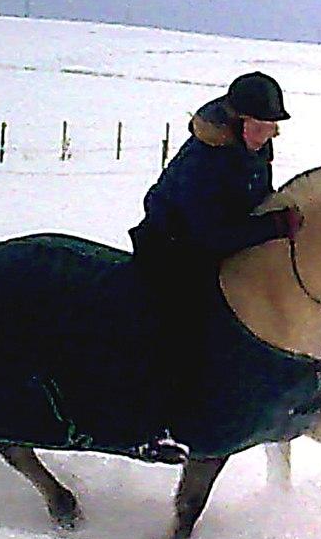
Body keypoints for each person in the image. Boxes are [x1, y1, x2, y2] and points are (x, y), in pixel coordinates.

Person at [129, 72, 303, 463]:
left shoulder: (254, 149)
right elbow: (211, 232)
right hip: (173, 254)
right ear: (239, 121)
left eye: (272, 125)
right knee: (180, 335)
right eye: (261, 125)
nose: (269, 132)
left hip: (217, 252)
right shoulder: (204, 158)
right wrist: (274, 226)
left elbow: (253, 205)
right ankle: (154, 429)